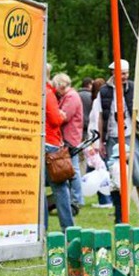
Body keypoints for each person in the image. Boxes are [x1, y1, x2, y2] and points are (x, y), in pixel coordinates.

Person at [95, 59, 139, 219]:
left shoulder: (134, 88)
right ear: (114, 73)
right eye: (122, 74)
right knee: (115, 175)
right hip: (113, 136)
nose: (124, 77)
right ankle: (119, 210)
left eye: (126, 74)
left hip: (131, 136)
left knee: (137, 173)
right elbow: (101, 116)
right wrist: (101, 141)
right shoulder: (104, 91)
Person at [44, 64, 74, 232]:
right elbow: (55, 119)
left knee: (40, 189)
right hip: (52, 145)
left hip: (40, 143)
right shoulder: (48, 93)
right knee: (61, 187)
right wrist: (61, 116)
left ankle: (42, 228)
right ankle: (68, 228)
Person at [52, 73, 84, 208]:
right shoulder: (69, 96)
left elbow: (64, 116)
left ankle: (77, 199)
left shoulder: (71, 97)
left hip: (70, 137)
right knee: (72, 168)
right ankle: (75, 197)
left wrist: (53, 112)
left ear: (61, 85)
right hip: (72, 136)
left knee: (73, 169)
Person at [87, 78, 113, 208]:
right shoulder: (99, 101)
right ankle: (104, 198)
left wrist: (96, 142)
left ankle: (105, 199)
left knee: (100, 170)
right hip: (94, 139)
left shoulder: (98, 103)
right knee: (97, 169)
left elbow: (98, 121)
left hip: (95, 140)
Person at [108, 143, 130, 223]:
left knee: (121, 205)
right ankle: (119, 220)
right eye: (128, 152)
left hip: (120, 188)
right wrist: (121, 188)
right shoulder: (117, 166)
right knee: (119, 206)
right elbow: (117, 179)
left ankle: (122, 218)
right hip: (117, 190)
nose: (129, 154)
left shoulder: (123, 164)